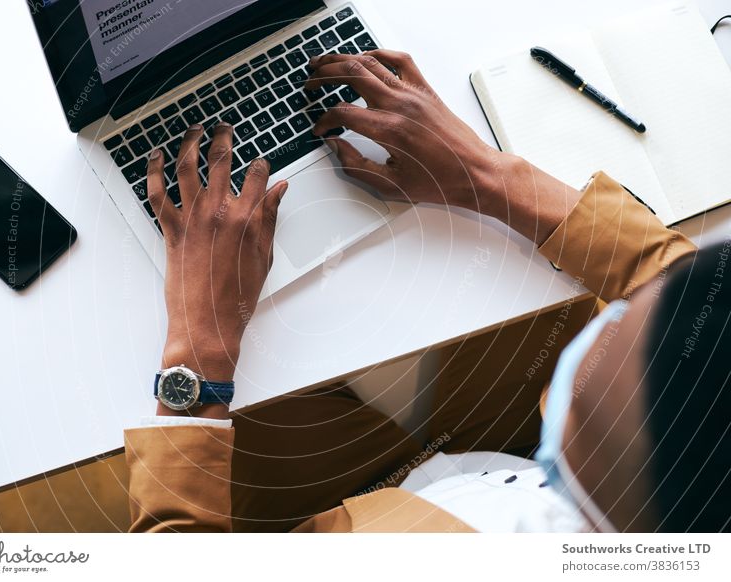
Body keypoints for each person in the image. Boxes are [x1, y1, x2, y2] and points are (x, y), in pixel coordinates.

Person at [123, 50, 730, 532]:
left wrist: (197, 358)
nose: (629, 301)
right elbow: (681, 288)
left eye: (621, 326)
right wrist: (491, 177)